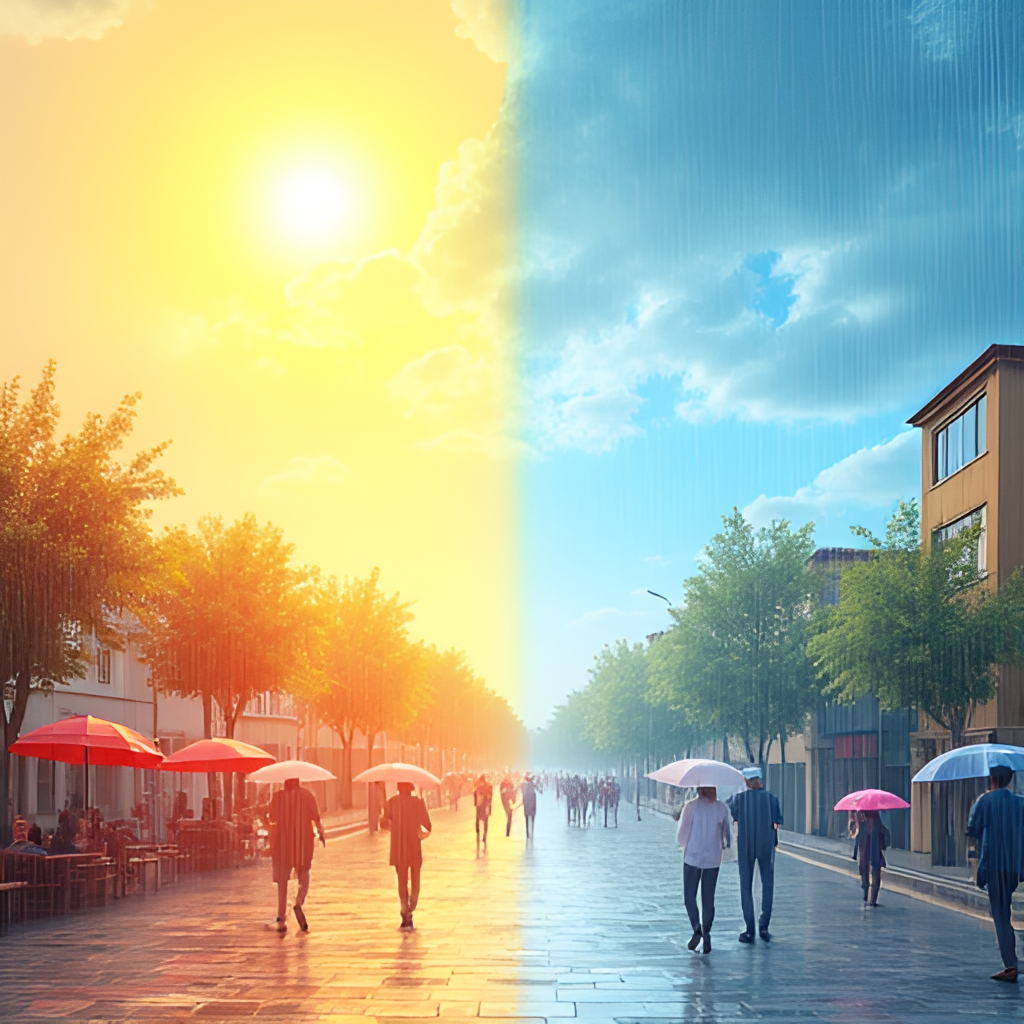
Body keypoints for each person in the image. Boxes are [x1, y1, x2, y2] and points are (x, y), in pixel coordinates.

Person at [966, 764, 1024, 983]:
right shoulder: (1020, 803)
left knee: (1000, 914)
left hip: (993, 864)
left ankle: (1010, 965)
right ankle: (1012, 961)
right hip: (1014, 865)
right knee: (1006, 911)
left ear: (992, 778)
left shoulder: (984, 801)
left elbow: (972, 829)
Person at [727, 766, 782, 943]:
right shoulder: (772, 799)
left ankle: (750, 930)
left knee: (745, 884)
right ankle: (764, 927)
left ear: (746, 782)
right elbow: (777, 821)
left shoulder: (738, 799)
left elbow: (731, 813)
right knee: (767, 883)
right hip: (766, 844)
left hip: (746, 844)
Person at [677, 786, 731, 954]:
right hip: (713, 858)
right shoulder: (722, 808)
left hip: (692, 857)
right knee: (708, 899)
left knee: (689, 896)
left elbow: (681, 836)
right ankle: (707, 933)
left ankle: (696, 928)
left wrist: (684, 845)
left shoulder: (691, 806)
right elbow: (727, 835)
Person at [268, 777, 325, 933]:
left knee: (282, 881)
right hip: (303, 843)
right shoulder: (308, 795)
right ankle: (299, 901)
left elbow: (272, 817)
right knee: (304, 873)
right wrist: (321, 833)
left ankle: (281, 918)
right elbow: (316, 817)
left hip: (282, 844)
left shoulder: (278, 797)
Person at [381, 781, 432, 930]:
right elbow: (427, 825)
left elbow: (383, 823)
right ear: (411, 789)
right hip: (414, 847)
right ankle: (412, 906)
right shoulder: (418, 803)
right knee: (415, 879)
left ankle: (405, 909)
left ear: (398, 788)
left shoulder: (392, 803)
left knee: (401, 880)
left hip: (398, 848)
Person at [850, 810, 889, 906]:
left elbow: (857, 838)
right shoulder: (876, 821)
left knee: (866, 869)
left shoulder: (862, 820)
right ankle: (873, 898)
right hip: (874, 850)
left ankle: (867, 893)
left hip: (866, 850)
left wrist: (855, 852)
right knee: (875, 870)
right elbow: (884, 834)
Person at [474, 774, 493, 846]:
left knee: (477, 819)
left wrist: (476, 804)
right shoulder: (488, 785)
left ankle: (478, 832)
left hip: (479, 805)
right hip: (486, 805)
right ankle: (484, 835)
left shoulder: (478, 786)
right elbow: (491, 795)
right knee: (486, 821)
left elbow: (475, 795)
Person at [520, 773, 537, 839]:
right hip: (532, 805)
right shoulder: (532, 785)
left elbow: (523, 793)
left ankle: (528, 834)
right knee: (532, 820)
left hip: (527, 804)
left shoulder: (523, 785)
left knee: (527, 819)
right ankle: (531, 833)